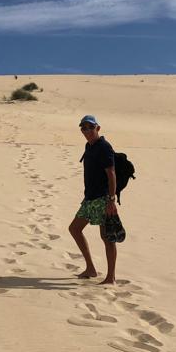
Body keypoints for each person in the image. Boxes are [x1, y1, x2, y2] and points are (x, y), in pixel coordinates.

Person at [68, 114, 119, 284]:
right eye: (83, 127)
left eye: (90, 127)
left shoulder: (104, 147)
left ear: (98, 128)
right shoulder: (89, 146)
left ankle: (110, 277)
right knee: (74, 229)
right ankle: (90, 268)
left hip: (103, 199)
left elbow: (111, 173)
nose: (87, 130)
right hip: (89, 198)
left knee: (107, 236)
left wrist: (111, 200)